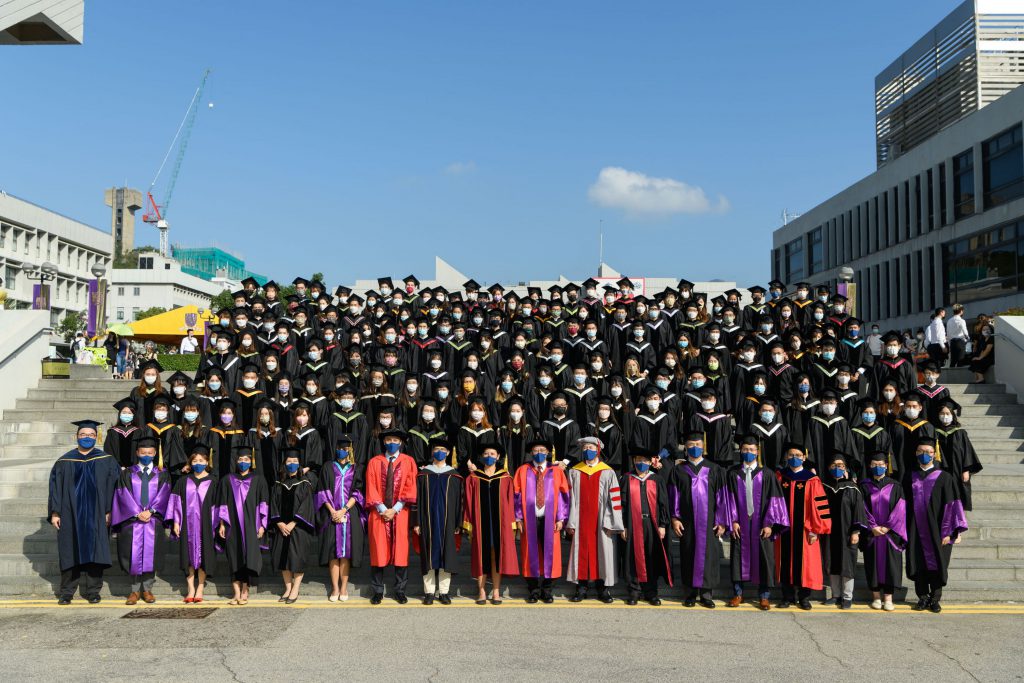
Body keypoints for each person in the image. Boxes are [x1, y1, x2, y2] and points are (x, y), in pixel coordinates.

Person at [48, 420, 120, 604]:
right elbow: (55, 488)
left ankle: (93, 591)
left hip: (97, 514)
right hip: (70, 513)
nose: (87, 437)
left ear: (97, 437)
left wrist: (110, 510)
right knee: (69, 551)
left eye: (91, 435)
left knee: (96, 552)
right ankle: (67, 592)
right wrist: (55, 512)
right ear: (77, 436)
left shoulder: (107, 461)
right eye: (83, 435)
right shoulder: (64, 461)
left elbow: (115, 488)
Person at [668, 432, 732, 608]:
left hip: (709, 522)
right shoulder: (678, 470)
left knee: (708, 557)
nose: (694, 447)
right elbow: (674, 496)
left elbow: (721, 497)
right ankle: (689, 594)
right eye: (691, 444)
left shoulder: (715, 469)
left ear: (703, 447)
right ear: (686, 448)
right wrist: (674, 518)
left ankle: (706, 594)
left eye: (698, 444)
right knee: (688, 554)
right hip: (687, 523)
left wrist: (721, 521)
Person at [725, 437, 789, 610]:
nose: (748, 453)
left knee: (765, 559)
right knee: (738, 559)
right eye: (745, 449)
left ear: (757, 452)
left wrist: (769, 523)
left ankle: (764, 596)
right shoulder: (733, 473)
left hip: (762, 525)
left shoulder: (767, 474)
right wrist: (734, 520)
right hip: (741, 525)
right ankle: (738, 594)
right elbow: (728, 499)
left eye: (752, 450)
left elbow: (774, 500)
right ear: (740, 451)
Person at [906, 437, 968, 613]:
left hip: (939, 532)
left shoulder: (945, 477)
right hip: (915, 529)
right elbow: (902, 505)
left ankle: (935, 598)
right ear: (916, 453)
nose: (924, 455)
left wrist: (950, 532)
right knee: (919, 564)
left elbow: (952, 506)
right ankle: (922, 597)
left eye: (928, 452)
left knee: (938, 564)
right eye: (921, 451)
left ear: (935, 454)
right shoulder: (910, 476)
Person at [110, 436, 171, 605]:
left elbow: (165, 495)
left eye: (150, 453)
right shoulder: (127, 473)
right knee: (133, 554)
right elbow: (122, 495)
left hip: (153, 521)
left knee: (151, 555)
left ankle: (147, 589)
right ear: (137, 452)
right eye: (143, 452)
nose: (146, 455)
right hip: (132, 521)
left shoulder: (163, 474)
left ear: (155, 454)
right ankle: (134, 591)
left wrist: (151, 511)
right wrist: (137, 512)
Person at [566, 436, 624, 603]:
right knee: (580, 552)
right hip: (580, 518)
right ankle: (581, 587)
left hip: (601, 520)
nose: (587, 451)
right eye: (585, 448)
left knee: (603, 553)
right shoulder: (574, 471)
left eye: (591, 447)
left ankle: (602, 589)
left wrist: (613, 521)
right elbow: (570, 499)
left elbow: (615, 499)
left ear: (598, 449)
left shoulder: (608, 472)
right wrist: (571, 521)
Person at [775, 443, 832, 610]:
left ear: (804, 458)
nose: (794, 458)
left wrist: (816, 529)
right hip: (784, 529)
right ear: (786, 457)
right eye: (791, 455)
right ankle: (787, 597)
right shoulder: (780, 477)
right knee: (784, 562)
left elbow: (820, 506)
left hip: (806, 531)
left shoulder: (812, 480)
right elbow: (773, 503)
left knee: (805, 565)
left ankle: (804, 598)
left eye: (798, 455)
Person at [513, 439, 570, 603]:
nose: (539, 453)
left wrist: (561, 518)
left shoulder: (557, 471)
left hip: (550, 519)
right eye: (536, 450)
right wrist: (518, 517)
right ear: (531, 452)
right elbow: (516, 496)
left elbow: (563, 495)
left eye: (543, 450)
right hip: (529, 519)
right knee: (530, 553)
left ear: (548, 453)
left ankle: (547, 590)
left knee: (550, 554)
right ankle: (533, 590)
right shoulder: (523, 470)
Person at [365, 428, 418, 604]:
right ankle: (378, 591)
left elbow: (410, 486)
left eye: (395, 440)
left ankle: (400, 591)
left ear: (401, 442)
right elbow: (371, 486)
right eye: (388, 440)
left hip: (400, 513)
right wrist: (382, 508)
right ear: (384, 442)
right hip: (378, 513)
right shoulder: (374, 462)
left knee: (401, 552)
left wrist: (394, 509)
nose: (392, 443)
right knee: (378, 551)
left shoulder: (409, 461)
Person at [463, 444, 518, 605]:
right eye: (486, 453)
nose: (489, 456)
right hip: (480, 524)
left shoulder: (506, 478)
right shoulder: (473, 478)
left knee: (496, 557)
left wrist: (511, 525)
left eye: (492, 453)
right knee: (481, 556)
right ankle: (481, 591)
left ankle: (495, 591)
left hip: (500, 525)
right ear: (481, 457)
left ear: (498, 456)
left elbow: (510, 503)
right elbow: (467, 502)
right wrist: (469, 523)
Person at [215, 448, 270, 606]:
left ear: (251, 461)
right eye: (240, 459)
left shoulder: (259, 480)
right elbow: (222, 503)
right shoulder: (227, 480)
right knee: (234, 556)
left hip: (251, 525)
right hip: (232, 525)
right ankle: (236, 592)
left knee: (248, 557)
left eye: (246, 459)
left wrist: (262, 525)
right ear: (236, 461)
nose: (243, 462)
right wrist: (221, 524)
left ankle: (245, 590)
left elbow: (263, 503)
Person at [619, 449, 673, 605]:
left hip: (652, 524)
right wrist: (623, 525)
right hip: (631, 523)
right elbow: (621, 505)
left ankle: (651, 592)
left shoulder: (657, 479)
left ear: (651, 462)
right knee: (631, 558)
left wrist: (663, 525)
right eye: (638, 460)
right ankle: (634, 591)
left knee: (651, 556)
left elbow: (663, 504)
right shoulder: (626, 479)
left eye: (645, 460)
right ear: (633, 461)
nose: (641, 463)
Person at [413, 438, 464, 605]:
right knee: (428, 555)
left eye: (443, 449)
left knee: (445, 555)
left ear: (448, 453)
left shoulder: (455, 476)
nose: (440, 452)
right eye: (437, 449)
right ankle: (429, 592)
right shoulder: (423, 475)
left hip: (447, 522)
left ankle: (443, 592)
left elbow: (459, 502)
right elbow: (417, 500)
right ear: (432, 452)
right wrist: (417, 522)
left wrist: (458, 523)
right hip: (427, 521)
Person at [165, 446, 218, 603]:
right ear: (190, 463)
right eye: (195, 461)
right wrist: (176, 521)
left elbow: (220, 504)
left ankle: (200, 587)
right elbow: (175, 502)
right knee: (188, 556)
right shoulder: (183, 481)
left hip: (207, 525)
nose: (198, 463)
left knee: (204, 556)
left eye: (201, 461)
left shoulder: (214, 481)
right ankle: (190, 589)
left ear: (207, 462)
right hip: (187, 525)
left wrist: (219, 523)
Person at [315, 436, 365, 602]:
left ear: (349, 450)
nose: (341, 451)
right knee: (332, 553)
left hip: (349, 516)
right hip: (331, 516)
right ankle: (335, 588)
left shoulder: (355, 468)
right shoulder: (327, 466)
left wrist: (343, 510)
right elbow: (322, 490)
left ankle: (343, 587)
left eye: (345, 448)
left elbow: (357, 492)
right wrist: (333, 511)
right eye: (339, 448)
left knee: (345, 554)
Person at [859, 452, 906, 612]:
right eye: (874, 464)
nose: (878, 467)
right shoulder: (864, 486)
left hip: (890, 534)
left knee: (890, 566)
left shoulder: (896, 486)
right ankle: (876, 598)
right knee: (872, 565)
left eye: (881, 464)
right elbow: (862, 508)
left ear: (887, 465)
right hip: (872, 534)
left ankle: (888, 598)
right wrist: (872, 526)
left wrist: (887, 527)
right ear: (870, 466)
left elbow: (900, 508)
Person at [270, 448, 316, 603]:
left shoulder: (304, 483)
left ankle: (295, 589)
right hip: (281, 528)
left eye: (295, 462)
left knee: (297, 559)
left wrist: (293, 522)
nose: (292, 464)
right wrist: (279, 522)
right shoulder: (278, 483)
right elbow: (273, 505)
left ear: (299, 464)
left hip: (298, 528)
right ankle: (288, 588)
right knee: (282, 558)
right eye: (289, 461)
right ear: (284, 463)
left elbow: (307, 505)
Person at [820, 454, 865, 609]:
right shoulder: (824, 486)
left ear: (845, 468)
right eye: (834, 465)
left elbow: (858, 511)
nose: (837, 468)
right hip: (829, 533)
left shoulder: (852, 488)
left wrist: (856, 531)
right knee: (831, 562)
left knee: (847, 564)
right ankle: (835, 595)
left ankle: (847, 597)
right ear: (829, 468)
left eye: (840, 465)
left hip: (847, 533)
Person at [933, 398, 982, 511]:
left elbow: (967, 452)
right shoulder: (934, 432)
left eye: (947, 413)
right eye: (942, 413)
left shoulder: (960, 433)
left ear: (952, 415)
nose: (945, 416)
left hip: (958, 469)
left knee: (958, 492)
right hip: (940, 468)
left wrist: (966, 470)